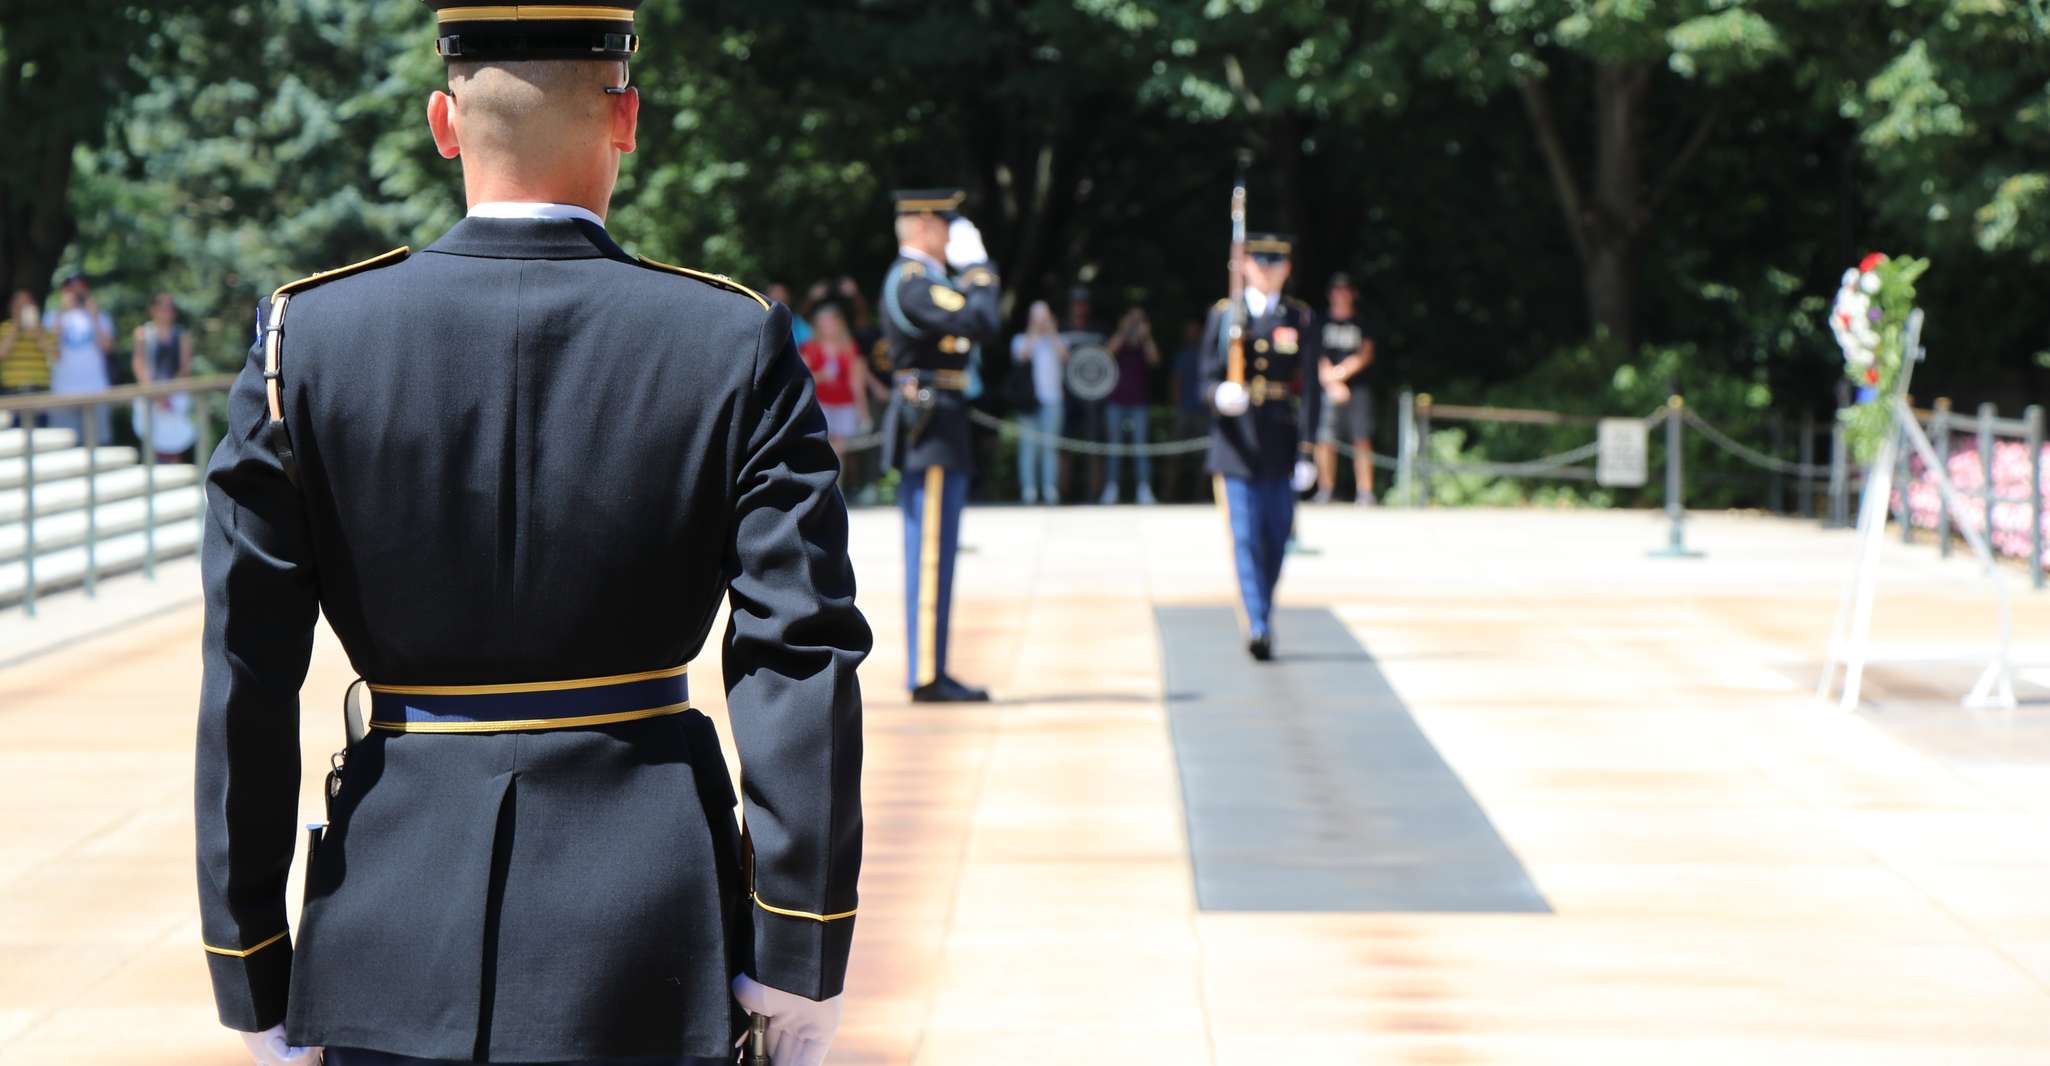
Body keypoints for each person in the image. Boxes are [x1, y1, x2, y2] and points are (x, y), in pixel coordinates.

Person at [196, 7, 868, 1066]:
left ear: (443, 124)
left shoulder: (306, 340)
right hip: (653, 933)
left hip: (387, 927)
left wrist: (252, 962)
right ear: (627, 119)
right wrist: (799, 942)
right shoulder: (731, 340)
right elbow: (802, 645)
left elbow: (246, 667)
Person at [878, 187, 1001, 702]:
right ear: (925, 226)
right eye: (947, 225)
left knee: (939, 552)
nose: (953, 235)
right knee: (930, 554)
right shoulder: (913, 281)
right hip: (930, 430)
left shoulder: (927, 280)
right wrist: (979, 271)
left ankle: (933, 667)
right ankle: (927, 672)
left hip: (941, 426)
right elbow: (981, 320)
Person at [1201, 232, 1318, 661]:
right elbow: (1203, 379)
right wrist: (1219, 396)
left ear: (1285, 268)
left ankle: (1263, 608)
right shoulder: (1226, 315)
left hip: (1282, 441)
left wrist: (1307, 451)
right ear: (1245, 264)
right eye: (1260, 261)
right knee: (1245, 536)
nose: (1268, 269)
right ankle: (1258, 622)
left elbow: (1310, 391)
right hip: (1237, 444)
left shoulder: (1299, 317)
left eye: (1276, 262)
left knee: (1276, 535)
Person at [1313, 273, 1377, 505]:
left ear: (1353, 294)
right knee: (1324, 439)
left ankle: (1365, 491)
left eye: (1345, 289)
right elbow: (1317, 355)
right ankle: (1325, 489)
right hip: (1326, 386)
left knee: (1361, 438)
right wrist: (1331, 381)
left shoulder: (1362, 322)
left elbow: (1366, 353)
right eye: (1336, 289)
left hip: (1357, 387)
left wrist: (1340, 375)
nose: (1341, 294)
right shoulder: (1320, 321)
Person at [798, 303, 876, 468]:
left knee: (839, 450)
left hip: (843, 405)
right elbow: (800, 378)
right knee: (820, 446)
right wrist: (821, 376)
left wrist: (863, 413)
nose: (828, 327)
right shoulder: (810, 348)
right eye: (823, 324)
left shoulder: (848, 347)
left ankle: (836, 487)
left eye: (830, 323)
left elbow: (856, 382)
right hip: (819, 405)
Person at [43, 273, 115, 443]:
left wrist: (95, 317)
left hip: (96, 390)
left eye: (79, 288)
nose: (75, 292)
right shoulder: (52, 318)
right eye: (70, 288)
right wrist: (61, 312)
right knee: (64, 448)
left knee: (99, 445)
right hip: (63, 393)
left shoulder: (101, 317)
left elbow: (107, 348)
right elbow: (53, 352)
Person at [1100, 306, 1161, 505]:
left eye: (1138, 320)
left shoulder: (1144, 342)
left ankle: (1144, 489)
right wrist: (1124, 331)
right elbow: (1106, 353)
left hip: (1139, 403)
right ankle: (1111, 488)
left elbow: (1155, 360)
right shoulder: (1119, 338)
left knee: (1140, 448)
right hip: (1116, 401)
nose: (1135, 324)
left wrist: (1147, 337)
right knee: (1114, 448)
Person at [1011, 300, 1068, 505]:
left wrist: (1052, 332)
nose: (1041, 322)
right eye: (1038, 318)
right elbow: (1021, 356)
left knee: (1050, 447)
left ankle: (1049, 489)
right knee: (1028, 447)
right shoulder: (1020, 340)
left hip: (1053, 400)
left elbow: (1065, 357)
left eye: (1045, 318)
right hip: (1029, 402)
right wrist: (1033, 333)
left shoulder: (1058, 339)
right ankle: (1029, 490)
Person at [132, 292, 198, 463]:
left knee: (173, 444)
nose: (165, 312)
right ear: (153, 310)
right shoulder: (142, 334)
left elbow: (184, 367)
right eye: (161, 308)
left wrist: (168, 393)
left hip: (174, 395)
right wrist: (154, 393)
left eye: (169, 308)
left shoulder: (182, 335)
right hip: (150, 395)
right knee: (151, 442)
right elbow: (139, 363)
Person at [1166, 319, 1209, 501]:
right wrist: (1177, 406)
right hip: (1184, 410)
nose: (1192, 334)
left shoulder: (1205, 354)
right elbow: (1175, 381)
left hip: (1202, 411)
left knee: (1204, 457)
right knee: (1174, 454)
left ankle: (1202, 494)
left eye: (1194, 330)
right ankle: (1168, 494)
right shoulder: (1182, 355)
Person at [0, 290, 55, 414]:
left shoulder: (43, 330)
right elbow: (1, 353)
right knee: (15, 432)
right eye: (19, 306)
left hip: (40, 391)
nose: (22, 310)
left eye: (26, 305)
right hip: (12, 392)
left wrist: (37, 333)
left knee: (42, 432)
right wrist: (15, 327)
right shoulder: (4, 328)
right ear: (12, 308)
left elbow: (55, 355)